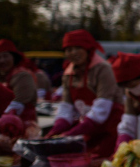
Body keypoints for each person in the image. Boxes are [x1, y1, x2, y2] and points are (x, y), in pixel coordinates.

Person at [46, 30, 123, 158]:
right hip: (89, 129)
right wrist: (56, 130)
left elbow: (102, 109)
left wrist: (72, 133)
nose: (73, 53)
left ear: (88, 49)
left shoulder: (103, 69)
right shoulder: (68, 74)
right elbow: (66, 107)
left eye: (78, 48)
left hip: (110, 130)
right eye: (69, 49)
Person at [0, 39, 38, 134]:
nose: (2, 60)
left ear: (14, 57)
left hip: (23, 129)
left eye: (5, 56)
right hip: (1, 127)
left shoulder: (23, 75)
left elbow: (16, 105)